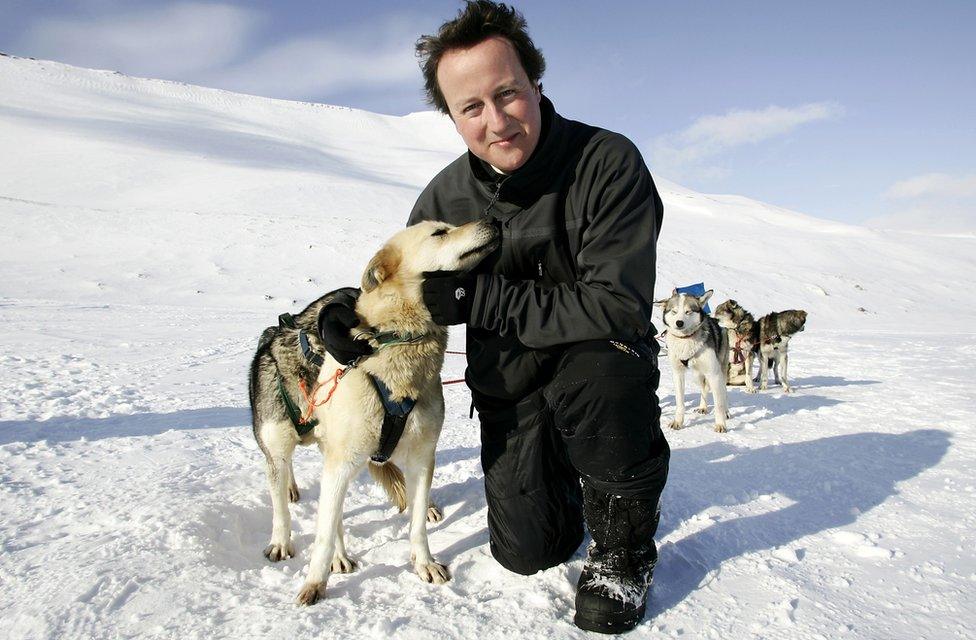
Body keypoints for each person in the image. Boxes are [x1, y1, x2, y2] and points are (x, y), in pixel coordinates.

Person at [319, 1, 669, 633]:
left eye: (507, 93)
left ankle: (624, 547)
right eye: (471, 108)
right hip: (510, 377)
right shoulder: (444, 198)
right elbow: (400, 280)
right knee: (527, 551)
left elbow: (618, 303)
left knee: (600, 378)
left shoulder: (605, 163)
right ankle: (565, 472)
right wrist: (341, 313)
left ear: (536, 83)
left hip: (600, 362)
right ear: (453, 118)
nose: (496, 120)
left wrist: (479, 301)